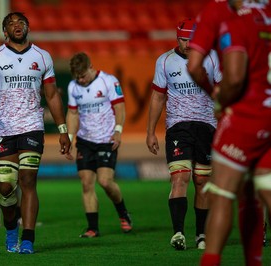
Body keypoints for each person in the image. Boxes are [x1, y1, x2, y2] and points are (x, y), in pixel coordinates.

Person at [0, 12, 71, 254]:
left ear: (27, 28)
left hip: (32, 126)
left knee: (28, 180)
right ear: (5, 31)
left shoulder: (42, 56)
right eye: (11, 23)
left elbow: (51, 95)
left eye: (21, 23)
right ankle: (10, 230)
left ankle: (27, 239)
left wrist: (62, 129)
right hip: (5, 129)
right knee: (6, 188)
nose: (17, 26)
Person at [188, 0, 266, 263]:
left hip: (245, 117)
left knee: (221, 194)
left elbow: (229, 75)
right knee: (261, 191)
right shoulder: (265, 12)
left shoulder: (226, 15)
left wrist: (219, 100)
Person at [146, 18, 222, 250]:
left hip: (207, 126)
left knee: (202, 180)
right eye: (182, 39)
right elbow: (158, 96)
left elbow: (221, 91)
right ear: (176, 37)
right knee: (180, 177)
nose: (187, 44)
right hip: (178, 126)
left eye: (191, 39)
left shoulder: (212, 58)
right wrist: (150, 131)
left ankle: (201, 235)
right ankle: (178, 233)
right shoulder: (165, 61)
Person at [65, 52, 132, 238]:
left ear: (91, 67)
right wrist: (69, 139)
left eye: (83, 75)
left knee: (105, 181)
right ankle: (92, 227)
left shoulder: (108, 81)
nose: (80, 80)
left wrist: (118, 130)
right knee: (86, 183)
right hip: (85, 141)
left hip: (106, 140)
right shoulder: (73, 87)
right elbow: (72, 114)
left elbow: (120, 108)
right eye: (77, 77)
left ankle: (123, 212)